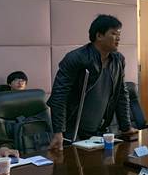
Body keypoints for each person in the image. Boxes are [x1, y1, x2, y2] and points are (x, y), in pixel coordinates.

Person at [47, 15, 137, 151]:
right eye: (113, 34)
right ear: (99, 35)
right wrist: (58, 131)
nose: (118, 38)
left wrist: (126, 127)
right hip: (73, 131)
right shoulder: (76, 58)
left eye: (119, 34)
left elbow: (121, 94)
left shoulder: (118, 60)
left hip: (100, 130)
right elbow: (59, 95)